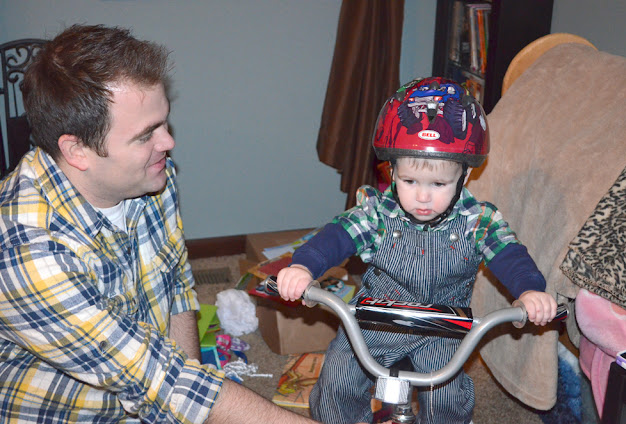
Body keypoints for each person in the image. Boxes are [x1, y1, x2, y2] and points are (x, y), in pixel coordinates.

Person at [0, 24, 319, 424]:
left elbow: (175, 286)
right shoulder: (25, 253)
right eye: (145, 135)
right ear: (77, 150)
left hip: (147, 384)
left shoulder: (149, 176)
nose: (168, 143)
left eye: (164, 122)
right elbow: (164, 381)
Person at [276, 77, 558, 424]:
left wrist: (529, 289)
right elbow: (337, 236)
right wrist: (303, 267)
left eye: (438, 184)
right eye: (409, 181)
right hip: (374, 322)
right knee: (338, 379)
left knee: (446, 398)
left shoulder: (477, 220)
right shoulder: (377, 213)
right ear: (391, 170)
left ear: (465, 175)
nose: (422, 197)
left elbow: (509, 254)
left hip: (442, 327)